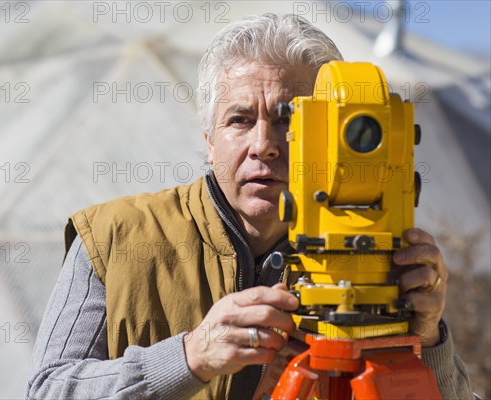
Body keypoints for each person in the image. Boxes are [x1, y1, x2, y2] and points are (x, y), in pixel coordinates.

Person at [27, 14, 473, 399]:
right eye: (240, 120)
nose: (264, 145)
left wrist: (427, 337)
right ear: (208, 140)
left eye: (289, 121)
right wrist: (191, 355)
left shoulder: (375, 259)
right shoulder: (112, 237)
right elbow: (49, 390)